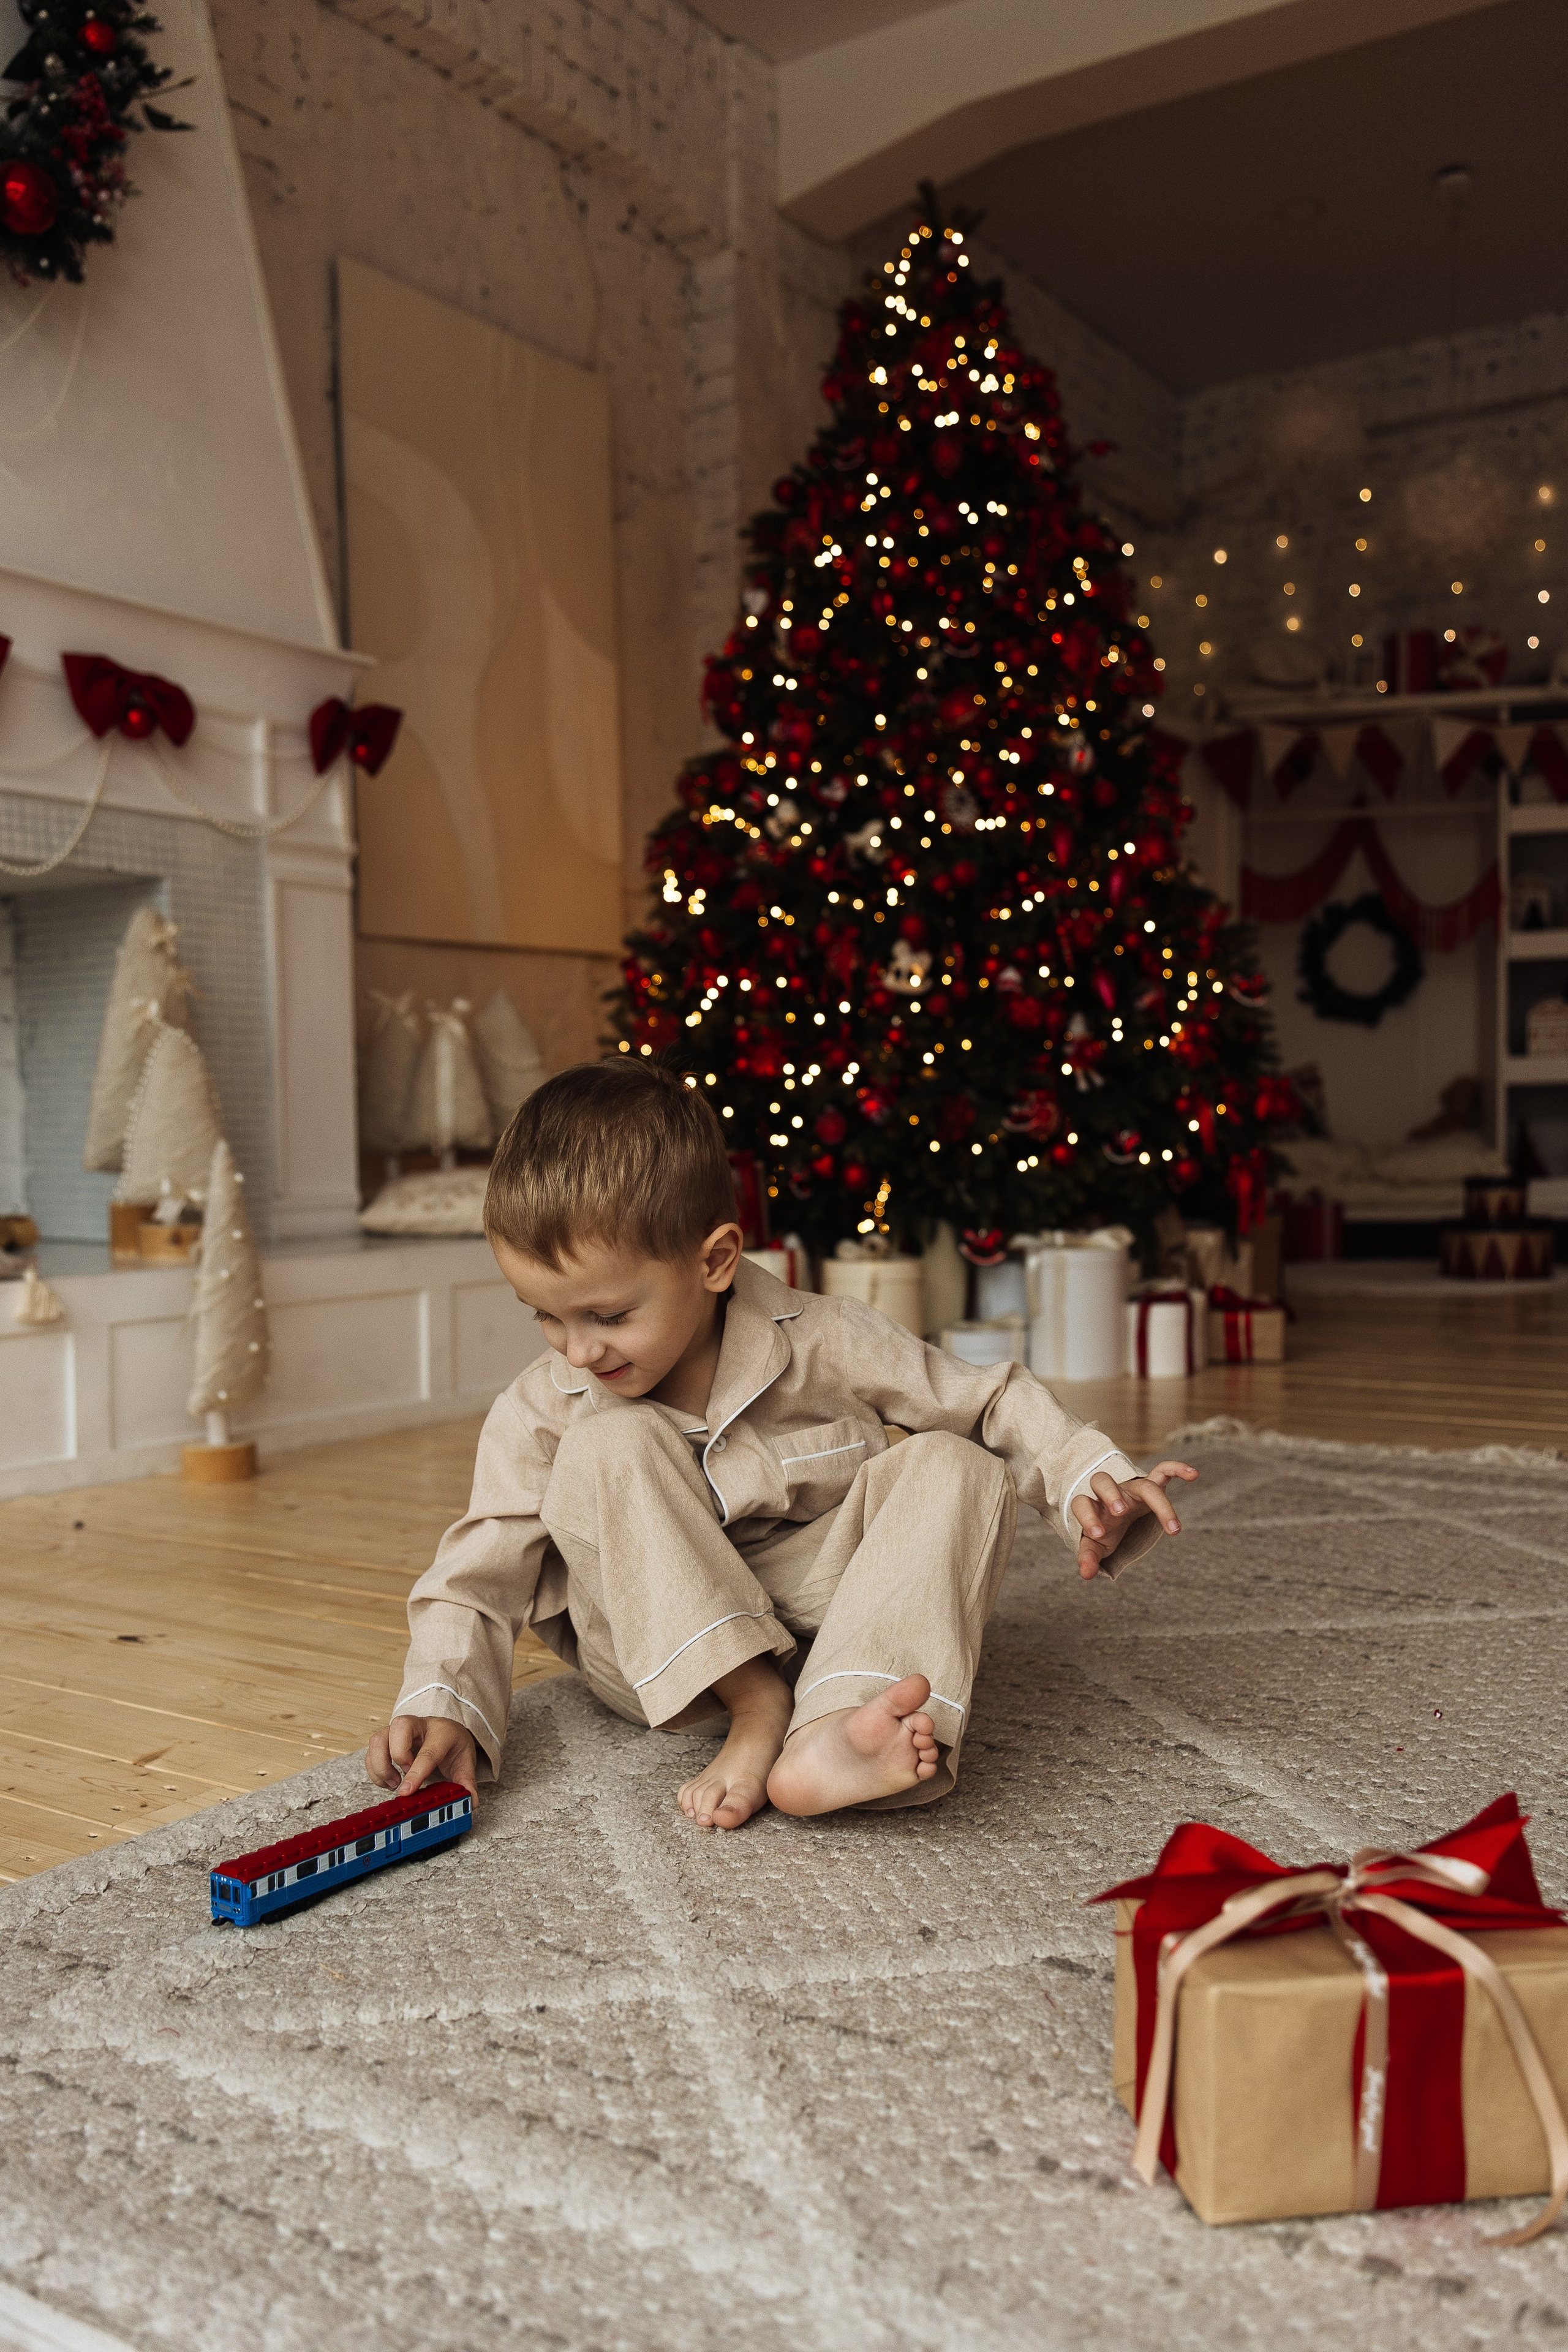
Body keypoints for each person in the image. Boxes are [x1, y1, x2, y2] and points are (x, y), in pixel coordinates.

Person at [369, 1059, 1195, 1829]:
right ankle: (757, 1705)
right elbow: (475, 1576)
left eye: (609, 1316)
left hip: (827, 1618)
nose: (578, 1350)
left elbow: (988, 1399)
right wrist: (447, 1701)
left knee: (957, 1463)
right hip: (660, 1657)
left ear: (717, 1261)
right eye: (547, 1316)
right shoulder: (545, 1410)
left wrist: (1090, 1477)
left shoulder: (827, 1337)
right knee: (610, 1443)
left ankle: (840, 1726)